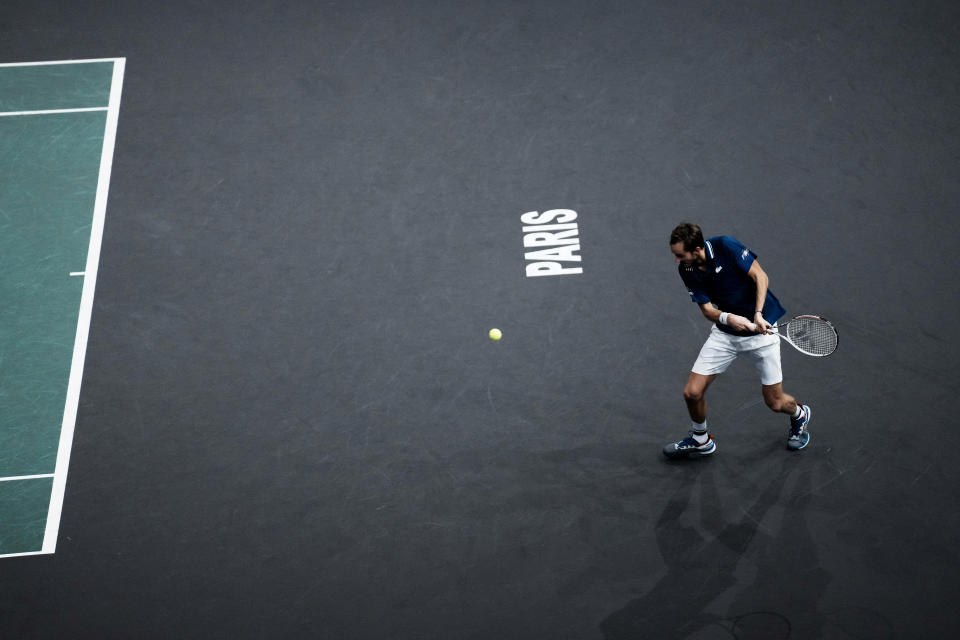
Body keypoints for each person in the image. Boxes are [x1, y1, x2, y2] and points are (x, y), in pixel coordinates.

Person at [664, 222, 810, 458]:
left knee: (775, 402)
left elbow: (760, 276)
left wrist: (758, 313)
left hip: (762, 335)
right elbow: (707, 310)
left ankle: (799, 414)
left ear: (696, 250)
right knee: (692, 392)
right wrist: (728, 318)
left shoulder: (726, 245)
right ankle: (701, 439)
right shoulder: (686, 270)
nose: (676, 261)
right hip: (725, 335)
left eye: (680, 255)